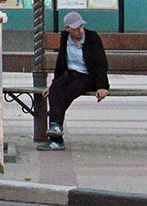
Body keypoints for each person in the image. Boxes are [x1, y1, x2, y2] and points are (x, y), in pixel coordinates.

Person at [38, 11, 110, 151]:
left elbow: (101, 63)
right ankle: (56, 131)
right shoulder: (65, 38)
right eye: (76, 28)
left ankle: (56, 136)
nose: (80, 31)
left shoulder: (92, 37)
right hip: (71, 74)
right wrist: (53, 85)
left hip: (88, 76)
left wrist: (102, 86)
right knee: (54, 92)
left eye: (81, 27)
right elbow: (61, 63)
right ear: (67, 28)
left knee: (68, 93)